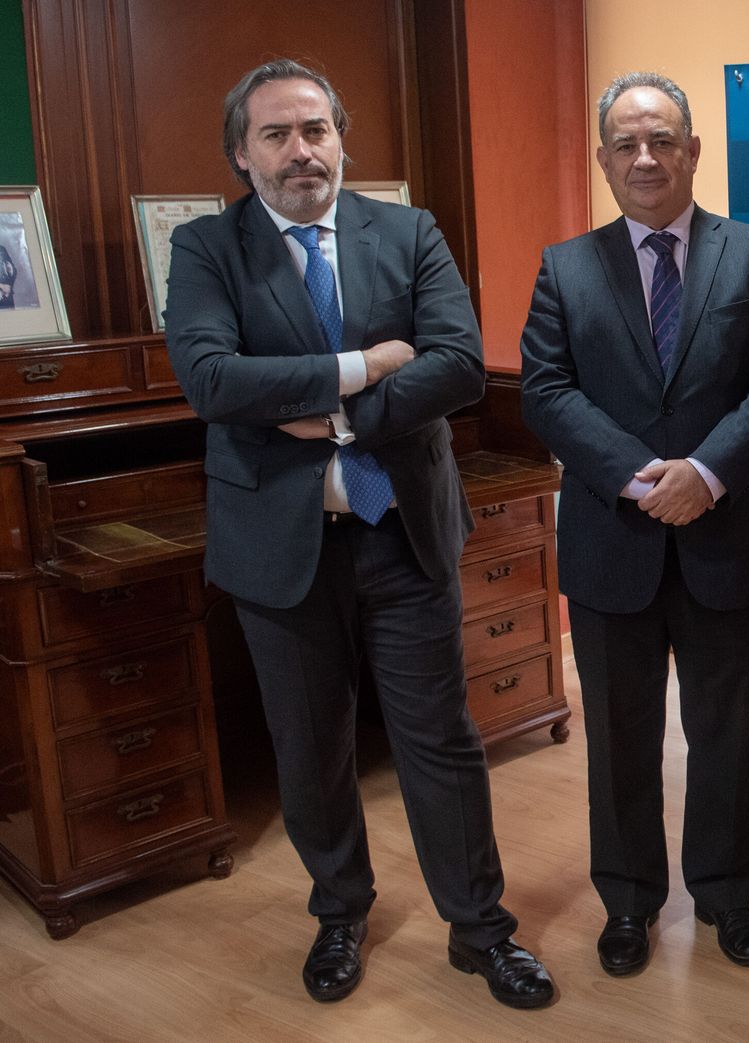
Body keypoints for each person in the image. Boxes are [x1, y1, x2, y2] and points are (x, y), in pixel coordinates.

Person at [164, 59, 554, 1009]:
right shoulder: (207, 248)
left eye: (317, 129)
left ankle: (481, 929)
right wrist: (363, 364)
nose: (301, 150)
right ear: (241, 154)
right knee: (310, 748)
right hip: (281, 547)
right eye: (276, 134)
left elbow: (459, 364)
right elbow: (211, 380)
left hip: (402, 532)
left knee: (441, 741)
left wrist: (331, 414)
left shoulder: (407, 231)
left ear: (341, 138)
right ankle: (340, 912)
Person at [520, 70, 749, 976]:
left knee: (728, 734)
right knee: (618, 738)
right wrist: (637, 476)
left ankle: (726, 895)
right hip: (614, 542)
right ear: (604, 160)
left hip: (729, 537)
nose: (644, 157)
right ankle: (629, 901)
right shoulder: (565, 266)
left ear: (693, 150)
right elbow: (546, 389)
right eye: (626, 143)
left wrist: (707, 473)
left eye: (661, 140)